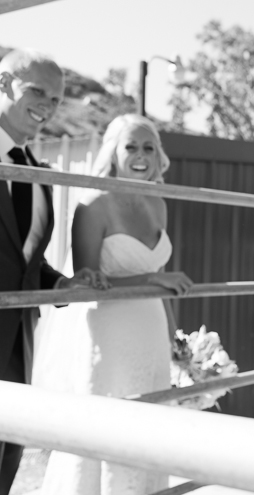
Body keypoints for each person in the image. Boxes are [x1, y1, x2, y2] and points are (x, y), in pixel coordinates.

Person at [39, 114, 193, 495]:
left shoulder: (158, 202)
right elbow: (87, 284)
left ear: (158, 155)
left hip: (152, 329)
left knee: (150, 423)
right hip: (109, 335)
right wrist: (151, 280)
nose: (140, 156)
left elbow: (161, 279)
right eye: (131, 147)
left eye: (148, 147)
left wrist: (176, 340)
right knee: (109, 425)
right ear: (114, 152)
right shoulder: (94, 203)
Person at [0, 49, 107, 495]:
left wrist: (62, 284)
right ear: (3, 83)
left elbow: (25, 263)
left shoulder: (39, 172)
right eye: (36, 91)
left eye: (57, 99)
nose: (47, 104)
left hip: (16, 346)